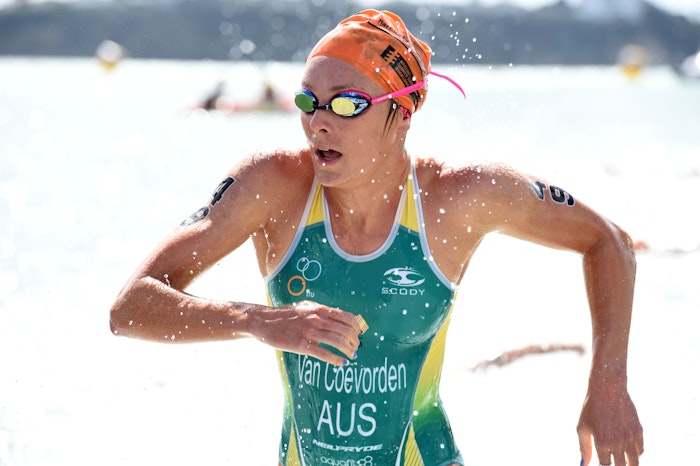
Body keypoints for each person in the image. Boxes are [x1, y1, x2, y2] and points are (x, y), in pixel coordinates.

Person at [110, 9, 643, 466]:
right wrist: (258, 320)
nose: (319, 122)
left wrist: (608, 385)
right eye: (308, 101)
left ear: (403, 111)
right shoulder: (272, 185)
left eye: (347, 104)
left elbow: (609, 241)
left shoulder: (459, 197)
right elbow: (130, 307)